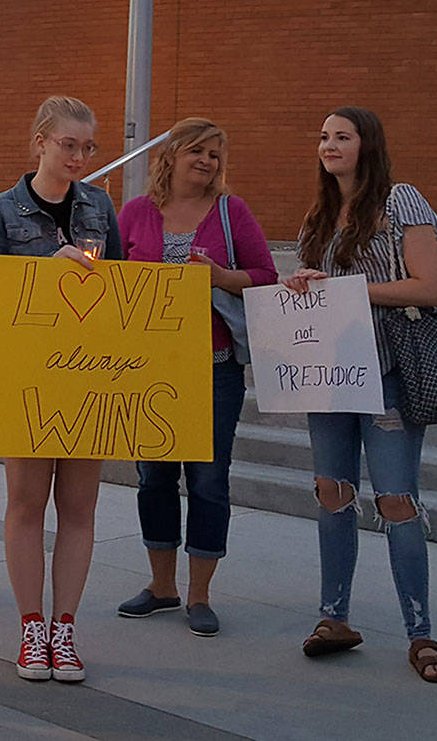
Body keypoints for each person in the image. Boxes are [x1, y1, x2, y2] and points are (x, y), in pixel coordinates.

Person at [282, 106, 437, 683]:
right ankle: (334, 618)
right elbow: (316, 285)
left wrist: (350, 289)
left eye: (342, 136)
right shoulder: (319, 214)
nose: (329, 145)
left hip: (389, 372)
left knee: (396, 500)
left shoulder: (401, 200)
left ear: (367, 144)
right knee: (331, 492)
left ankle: (421, 632)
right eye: (324, 136)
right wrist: (302, 284)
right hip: (329, 373)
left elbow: (430, 287)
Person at [0, 96, 121, 682]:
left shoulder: (101, 208)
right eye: (69, 145)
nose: (80, 157)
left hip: (89, 373)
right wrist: (42, 271)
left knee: (80, 508)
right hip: (28, 376)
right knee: (26, 503)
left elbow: (120, 292)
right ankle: (31, 628)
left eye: (89, 148)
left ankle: (66, 627)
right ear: (40, 141)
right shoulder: (4, 210)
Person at [115, 118, 277, 637]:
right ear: (171, 155)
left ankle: (200, 595)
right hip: (151, 369)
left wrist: (221, 277)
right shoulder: (137, 212)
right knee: (154, 476)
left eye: (214, 154)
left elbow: (265, 275)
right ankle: (161, 587)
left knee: (208, 479)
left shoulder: (232, 212)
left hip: (215, 369)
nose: (207, 162)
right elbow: (112, 279)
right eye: (197, 152)